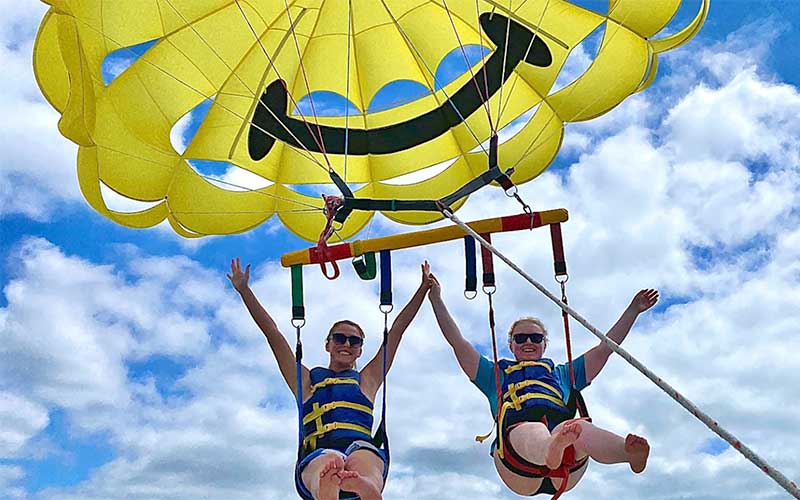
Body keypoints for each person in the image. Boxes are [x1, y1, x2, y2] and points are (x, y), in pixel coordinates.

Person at [426, 269, 658, 497]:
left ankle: (627, 454)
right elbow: (457, 342)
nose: (528, 342)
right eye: (521, 338)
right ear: (511, 345)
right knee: (535, 428)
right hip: (518, 464)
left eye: (535, 338)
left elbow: (605, 349)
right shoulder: (494, 375)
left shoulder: (564, 374)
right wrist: (436, 299)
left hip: (567, 463)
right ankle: (549, 448)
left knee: (580, 429)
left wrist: (633, 311)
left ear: (544, 344)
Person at [228, 258, 431, 500]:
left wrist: (422, 291)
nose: (346, 344)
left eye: (354, 341)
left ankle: (367, 488)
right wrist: (244, 291)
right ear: (328, 344)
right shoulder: (305, 381)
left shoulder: (367, 380)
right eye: (340, 338)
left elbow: (396, 332)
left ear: (360, 350)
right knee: (328, 462)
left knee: (365, 461)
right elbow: (274, 335)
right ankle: (326, 489)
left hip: (360, 448)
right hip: (320, 452)